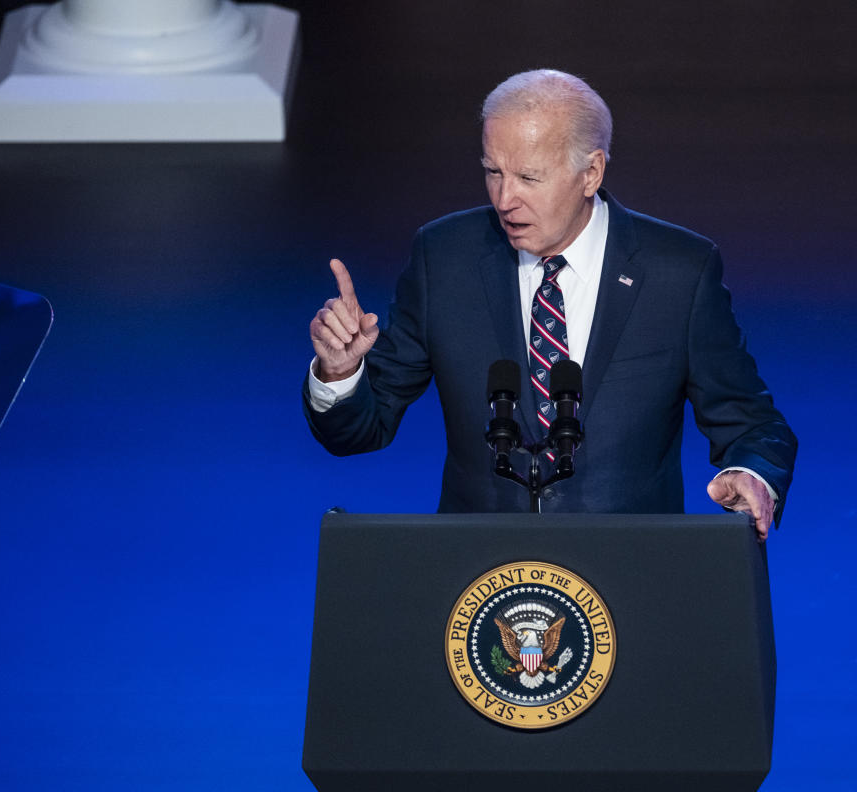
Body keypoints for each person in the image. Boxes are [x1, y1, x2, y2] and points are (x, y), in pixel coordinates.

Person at [304, 69, 796, 540]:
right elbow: (361, 429)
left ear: (591, 172)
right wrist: (341, 376)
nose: (505, 199)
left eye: (529, 178)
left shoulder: (678, 271)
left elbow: (751, 420)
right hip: (482, 581)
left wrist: (751, 473)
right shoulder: (444, 258)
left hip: (631, 576)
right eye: (493, 172)